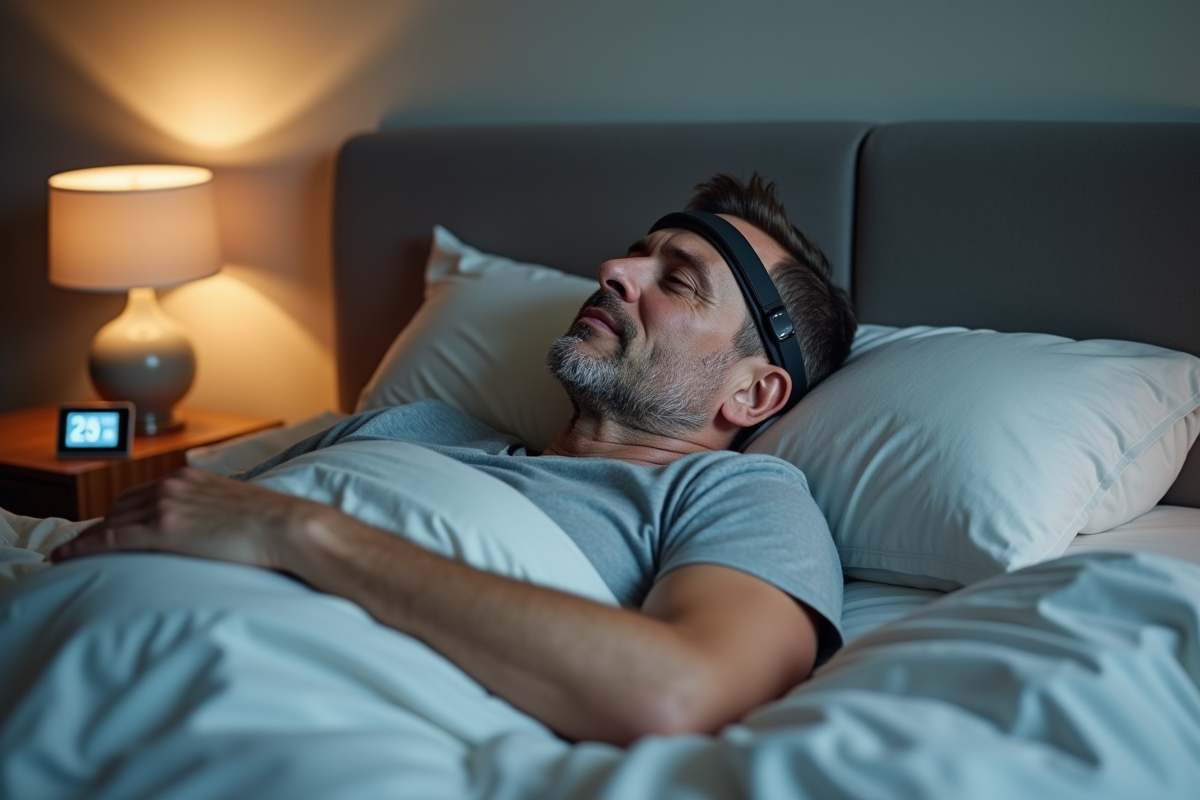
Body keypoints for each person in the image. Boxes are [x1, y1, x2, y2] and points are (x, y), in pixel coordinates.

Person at [51, 173, 858, 747]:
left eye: (675, 281)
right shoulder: (413, 424)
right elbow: (169, 520)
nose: (614, 272)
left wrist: (303, 534)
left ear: (753, 395)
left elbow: (681, 690)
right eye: (634, 256)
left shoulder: (739, 494)